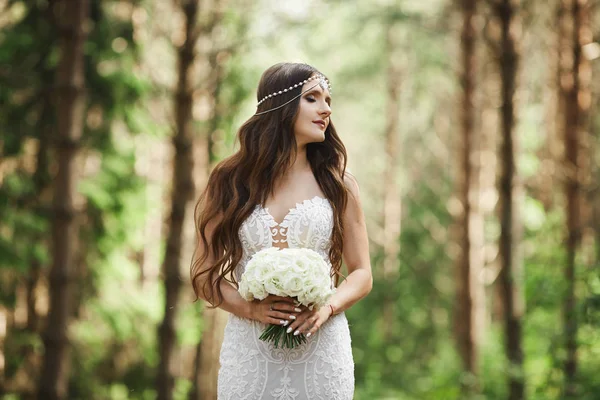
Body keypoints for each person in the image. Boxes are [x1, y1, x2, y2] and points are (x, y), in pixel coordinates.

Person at [190, 62, 372, 400]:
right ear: (282, 106)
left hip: (322, 351)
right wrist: (250, 309)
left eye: (328, 99)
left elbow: (362, 273)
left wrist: (328, 306)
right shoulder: (229, 182)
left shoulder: (339, 185)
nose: (327, 108)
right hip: (250, 352)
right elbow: (204, 275)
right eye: (313, 98)